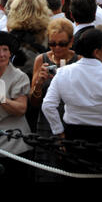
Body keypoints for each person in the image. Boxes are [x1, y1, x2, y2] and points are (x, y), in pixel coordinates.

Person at [42, 28, 102, 173]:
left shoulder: (63, 73)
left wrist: (60, 133)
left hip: (73, 135)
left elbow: (48, 106)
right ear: (97, 52)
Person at [29, 18, 79, 182]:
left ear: (71, 41)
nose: (57, 48)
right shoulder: (41, 60)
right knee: (47, 172)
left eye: (62, 44)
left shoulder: (79, 61)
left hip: (71, 122)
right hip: (47, 123)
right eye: (52, 44)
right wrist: (39, 82)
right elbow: (34, 102)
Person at [0, 31, 33, 183]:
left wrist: (1, 98)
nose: (1, 54)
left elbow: (21, 109)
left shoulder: (19, 76)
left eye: (5, 49)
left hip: (14, 146)